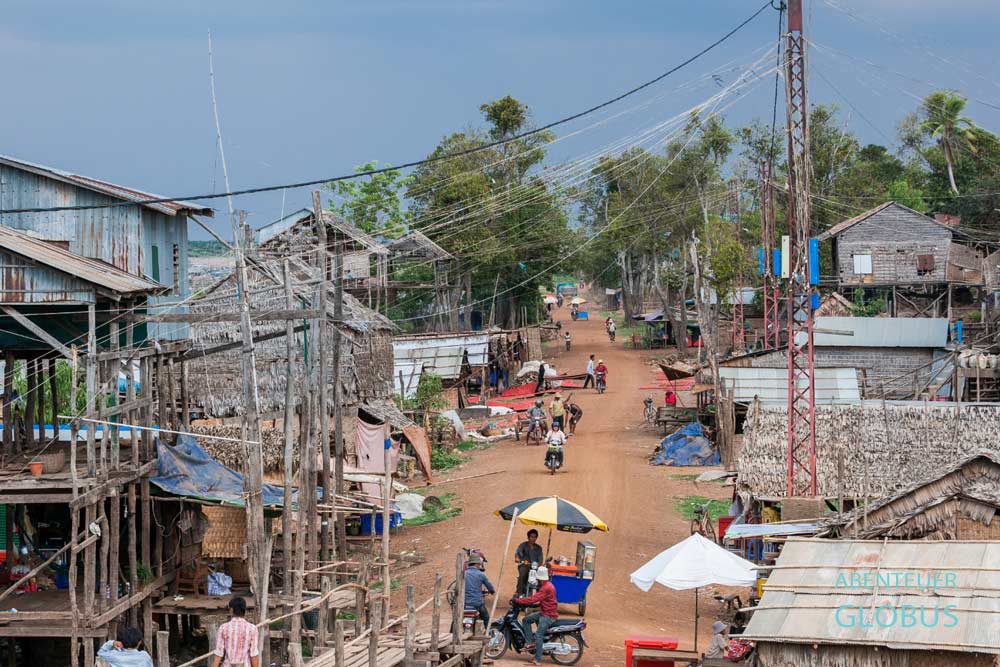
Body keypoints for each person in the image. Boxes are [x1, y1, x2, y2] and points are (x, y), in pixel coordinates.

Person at [515, 566, 558, 666]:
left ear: (541, 578)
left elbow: (533, 599)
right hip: (544, 611)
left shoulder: (546, 587)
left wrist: (518, 600)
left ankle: (537, 659)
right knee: (526, 620)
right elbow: (539, 599)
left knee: (539, 635)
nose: (537, 580)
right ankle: (530, 642)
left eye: (538, 578)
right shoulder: (546, 585)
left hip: (548, 615)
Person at [213, 596, 260, 667]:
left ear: (231, 610)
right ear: (244, 611)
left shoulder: (223, 628)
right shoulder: (252, 628)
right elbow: (254, 654)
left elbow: (219, 653)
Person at [463, 554, 495, 626]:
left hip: (464, 603)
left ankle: (452, 632)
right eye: (479, 564)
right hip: (477, 603)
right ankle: (488, 632)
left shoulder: (463, 574)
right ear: (477, 564)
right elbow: (489, 586)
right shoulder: (481, 574)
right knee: (486, 618)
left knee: (456, 619)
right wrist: (492, 591)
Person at [514, 529, 544, 596]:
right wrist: (517, 558)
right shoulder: (523, 545)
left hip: (534, 567)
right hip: (524, 565)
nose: (533, 539)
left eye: (535, 537)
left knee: (541, 579)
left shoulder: (539, 548)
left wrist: (539, 564)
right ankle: (519, 592)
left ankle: (539, 595)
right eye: (531, 537)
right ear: (528, 537)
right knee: (522, 574)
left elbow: (540, 559)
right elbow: (517, 554)